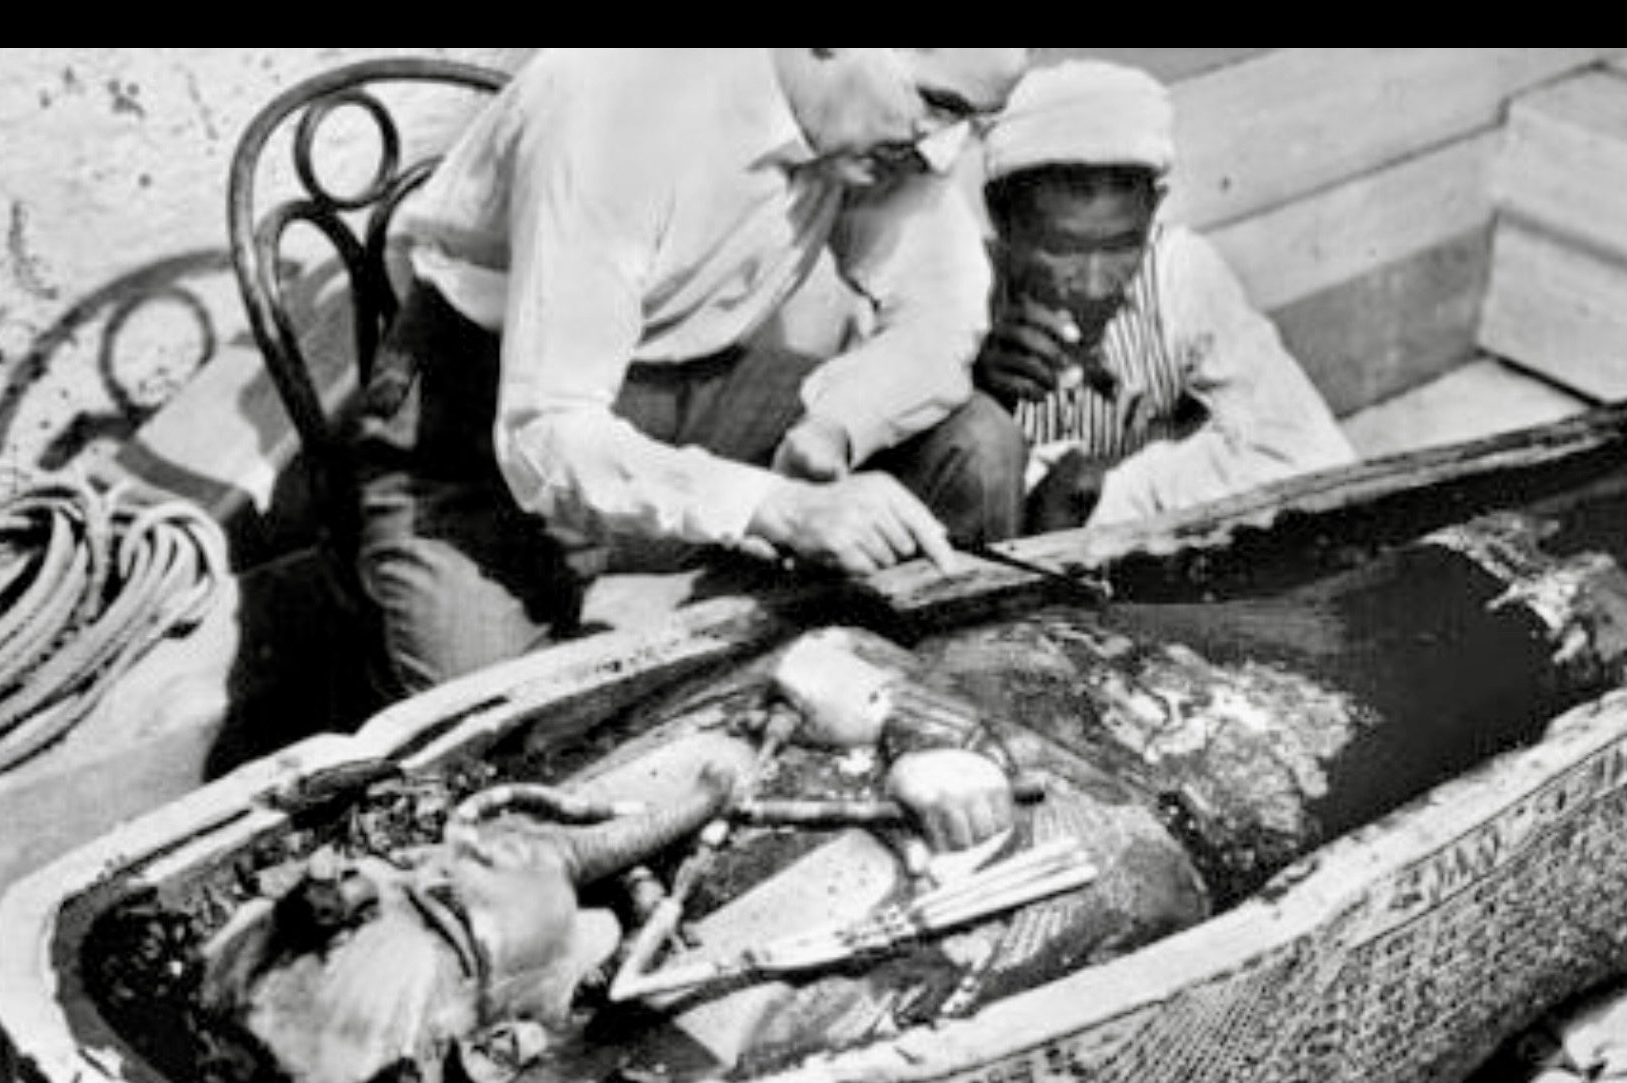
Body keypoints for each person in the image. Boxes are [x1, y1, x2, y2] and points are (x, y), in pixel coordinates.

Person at [348, 49, 1032, 705]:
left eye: (973, 121)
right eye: (940, 106)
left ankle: (924, 720)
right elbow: (548, 436)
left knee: (973, 443)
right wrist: (777, 506)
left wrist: (837, 428)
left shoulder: (877, 117)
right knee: (497, 738)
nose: (943, 151)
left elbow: (941, 312)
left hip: (689, 395)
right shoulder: (617, 98)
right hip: (478, 432)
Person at [971, 60, 1360, 532]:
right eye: (1060, 248)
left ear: (1154, 207)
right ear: (1002, 217)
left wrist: (1114, 489)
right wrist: (974, 393)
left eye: (1121, 245)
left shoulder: (1181, 273)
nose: (1095, 285)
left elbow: (1315, 457)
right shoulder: (960, 291)